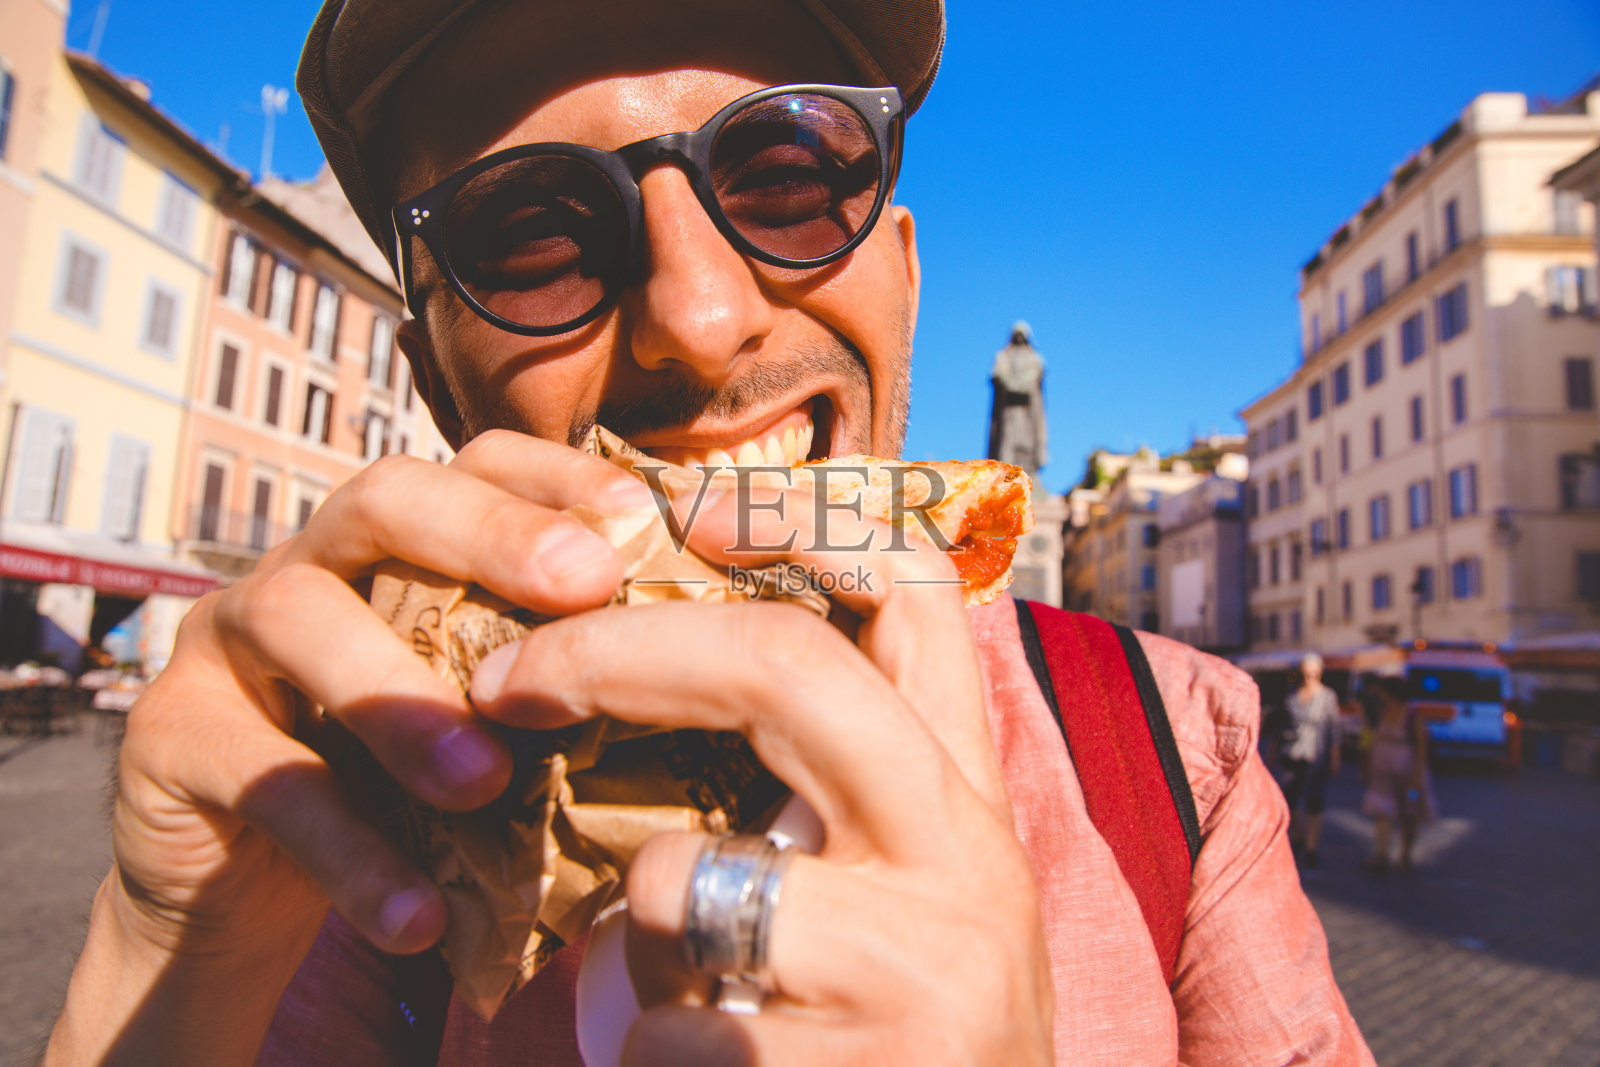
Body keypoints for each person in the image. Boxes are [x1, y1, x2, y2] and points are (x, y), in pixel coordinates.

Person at [42, 1, 1374, 1064]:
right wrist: (163, 958)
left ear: (902, 275)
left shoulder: (1168, 747)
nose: (697, 312)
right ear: (440, 380)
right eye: (534, 233)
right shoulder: (349, 828)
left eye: (789, 170)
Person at [1361, 673, 1435, 874]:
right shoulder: (1382, 712)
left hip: (1408, 775)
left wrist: (1417, 776)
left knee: (1409, 813)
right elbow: (1370, 736)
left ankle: (1406, 853)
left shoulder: (1413, 716)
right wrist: (1367, 762)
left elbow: (1422, 747)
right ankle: (1381, 853)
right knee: (1382, 810)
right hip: (1383, 773)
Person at [1281, 653, 1342, 869]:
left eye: (1312, 671)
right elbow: (1283, 724)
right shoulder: (1292, 695)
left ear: (1319, 672)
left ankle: (1311, 846)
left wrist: (1335, 755)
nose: (1308, 675)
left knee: (1314, 799)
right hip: (1292, 752)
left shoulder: (1327, 697)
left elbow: (1334, 729)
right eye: (1305, 670)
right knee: (1289, 797)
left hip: (1317, 753)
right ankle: (1297, 834)